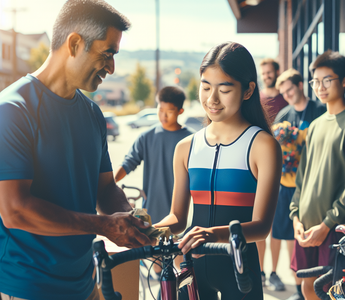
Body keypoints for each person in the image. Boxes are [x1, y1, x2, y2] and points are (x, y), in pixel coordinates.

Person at [0, 1, 153, 300]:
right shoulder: (13, 110)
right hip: (28, 287)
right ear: (74, 43)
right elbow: (14, 210)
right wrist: (105, 226)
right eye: (107, 53)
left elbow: (106, 188)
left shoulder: (93, 115)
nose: (111, 67)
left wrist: (128, 219)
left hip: (84, 283)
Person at [155, 42, 282, 300]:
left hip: (240, 271)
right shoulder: (185, 147)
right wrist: (146, 229)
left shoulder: (263, 145)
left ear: (248, 90)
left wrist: (211, 234)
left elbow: (261, 227)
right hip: (192, 269)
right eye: (205, 87)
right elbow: (177, 218)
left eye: (224, 89)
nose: (212, 99)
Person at [114, 86, 194, 277]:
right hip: (153, 213)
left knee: (180, 264)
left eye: (170, 112)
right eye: (160, 110)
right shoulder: (147, 137)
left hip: (183, 216)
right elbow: (128, 163)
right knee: (156, 267)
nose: (163, 116)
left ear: (180, 111)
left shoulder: (190, 139)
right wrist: (109, 183)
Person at [289, 50, 345, 300]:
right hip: (305, 227)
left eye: (327, 80)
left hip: (332, 229)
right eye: (315, 81)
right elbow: (303, 177)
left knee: (332, 292)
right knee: (307, 288)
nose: (319, 87)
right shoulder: (316, 125)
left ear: (343, 81)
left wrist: (327, 225)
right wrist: (295, 218)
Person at [272, 68, 326, 300]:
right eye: (283, 93)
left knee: (312, 239)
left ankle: (318, 287)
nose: (287, 95)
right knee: (293, 237)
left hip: (313, 185)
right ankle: (299, 289)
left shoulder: (320, 111)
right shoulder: (283, 116)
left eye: (290, 89)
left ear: (300, 85)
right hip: (287, 186)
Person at [257, 57, 288, 290]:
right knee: (259, 224)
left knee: (277, 225)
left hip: (284, 170)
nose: (267, 75)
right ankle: (259, 272)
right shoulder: (256, 99)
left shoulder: (285, 99)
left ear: (277, 72)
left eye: (270, 72)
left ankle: (275, 272)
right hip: (258, 168)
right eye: (264, 72)